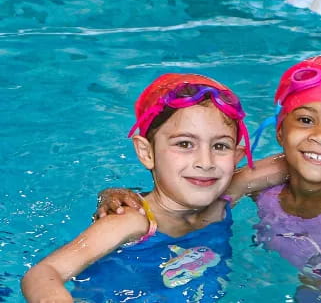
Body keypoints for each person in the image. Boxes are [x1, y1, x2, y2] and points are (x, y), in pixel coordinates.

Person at [98, 55, 321, 302]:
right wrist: (118, 195)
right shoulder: (267, 186)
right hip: (315, 290)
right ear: (280, 131)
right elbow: (181, 196)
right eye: (305, 120)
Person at [21, 73, 257, 302]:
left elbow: (287, 163)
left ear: (237, 156)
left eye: (220, 146)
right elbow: (43, 273)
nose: (205, 162)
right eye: (184, 144)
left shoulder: (222, 200)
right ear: (146, 152)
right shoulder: (134, 221)